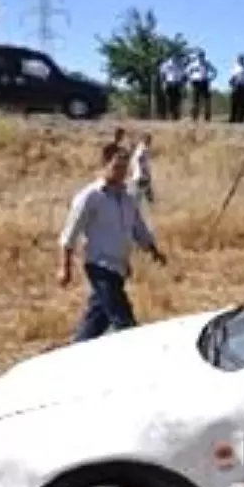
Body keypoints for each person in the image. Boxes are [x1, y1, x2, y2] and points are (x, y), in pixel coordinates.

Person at [59, 142, 167, 342]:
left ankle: (75, 351)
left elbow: (137, 227)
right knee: (123, 319)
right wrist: (65, 268)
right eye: (116, 167)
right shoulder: (90, 197)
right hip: (99, 265)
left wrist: (153, 251)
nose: (121, 172)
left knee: (96, 320)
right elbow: (70, 233)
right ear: (105, 165)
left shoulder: (127, 197)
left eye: (125, 168)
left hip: (119, 267)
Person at [185, 48, 217, 121]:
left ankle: (207, 118)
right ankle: (194, 118)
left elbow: (214, 71)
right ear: (197, 56)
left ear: (204, 56)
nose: (200, 56)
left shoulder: (207, 63)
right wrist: (190, 78)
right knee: (195, 101)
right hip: (196, 82)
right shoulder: (193, 64)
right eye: (199, 55)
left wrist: (211, 78)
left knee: (207, 101)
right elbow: (187, 72)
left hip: (205, 82)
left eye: (202, 55)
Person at [128, 132, 154, 207]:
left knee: (140, 196)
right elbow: (140, 160)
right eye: (148, 140)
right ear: (144, 140)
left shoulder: (138, 149)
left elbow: (133, 162)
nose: (150, 142)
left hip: (138, 176)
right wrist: (144, 171)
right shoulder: (143, 149)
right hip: (142, 176)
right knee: (146, 197)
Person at [159, 55, 186, 120]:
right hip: (169, 83)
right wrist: (163, 83)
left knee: (177, 101)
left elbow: (183, 75)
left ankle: (176, 116)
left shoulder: (180, 64)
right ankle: (167, 115)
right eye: (172, 56)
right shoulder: (165, 65)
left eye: (175, 56)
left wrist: (183, 83)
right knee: (168, 100)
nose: (174, 57)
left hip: (178, 83)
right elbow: (162, 74)